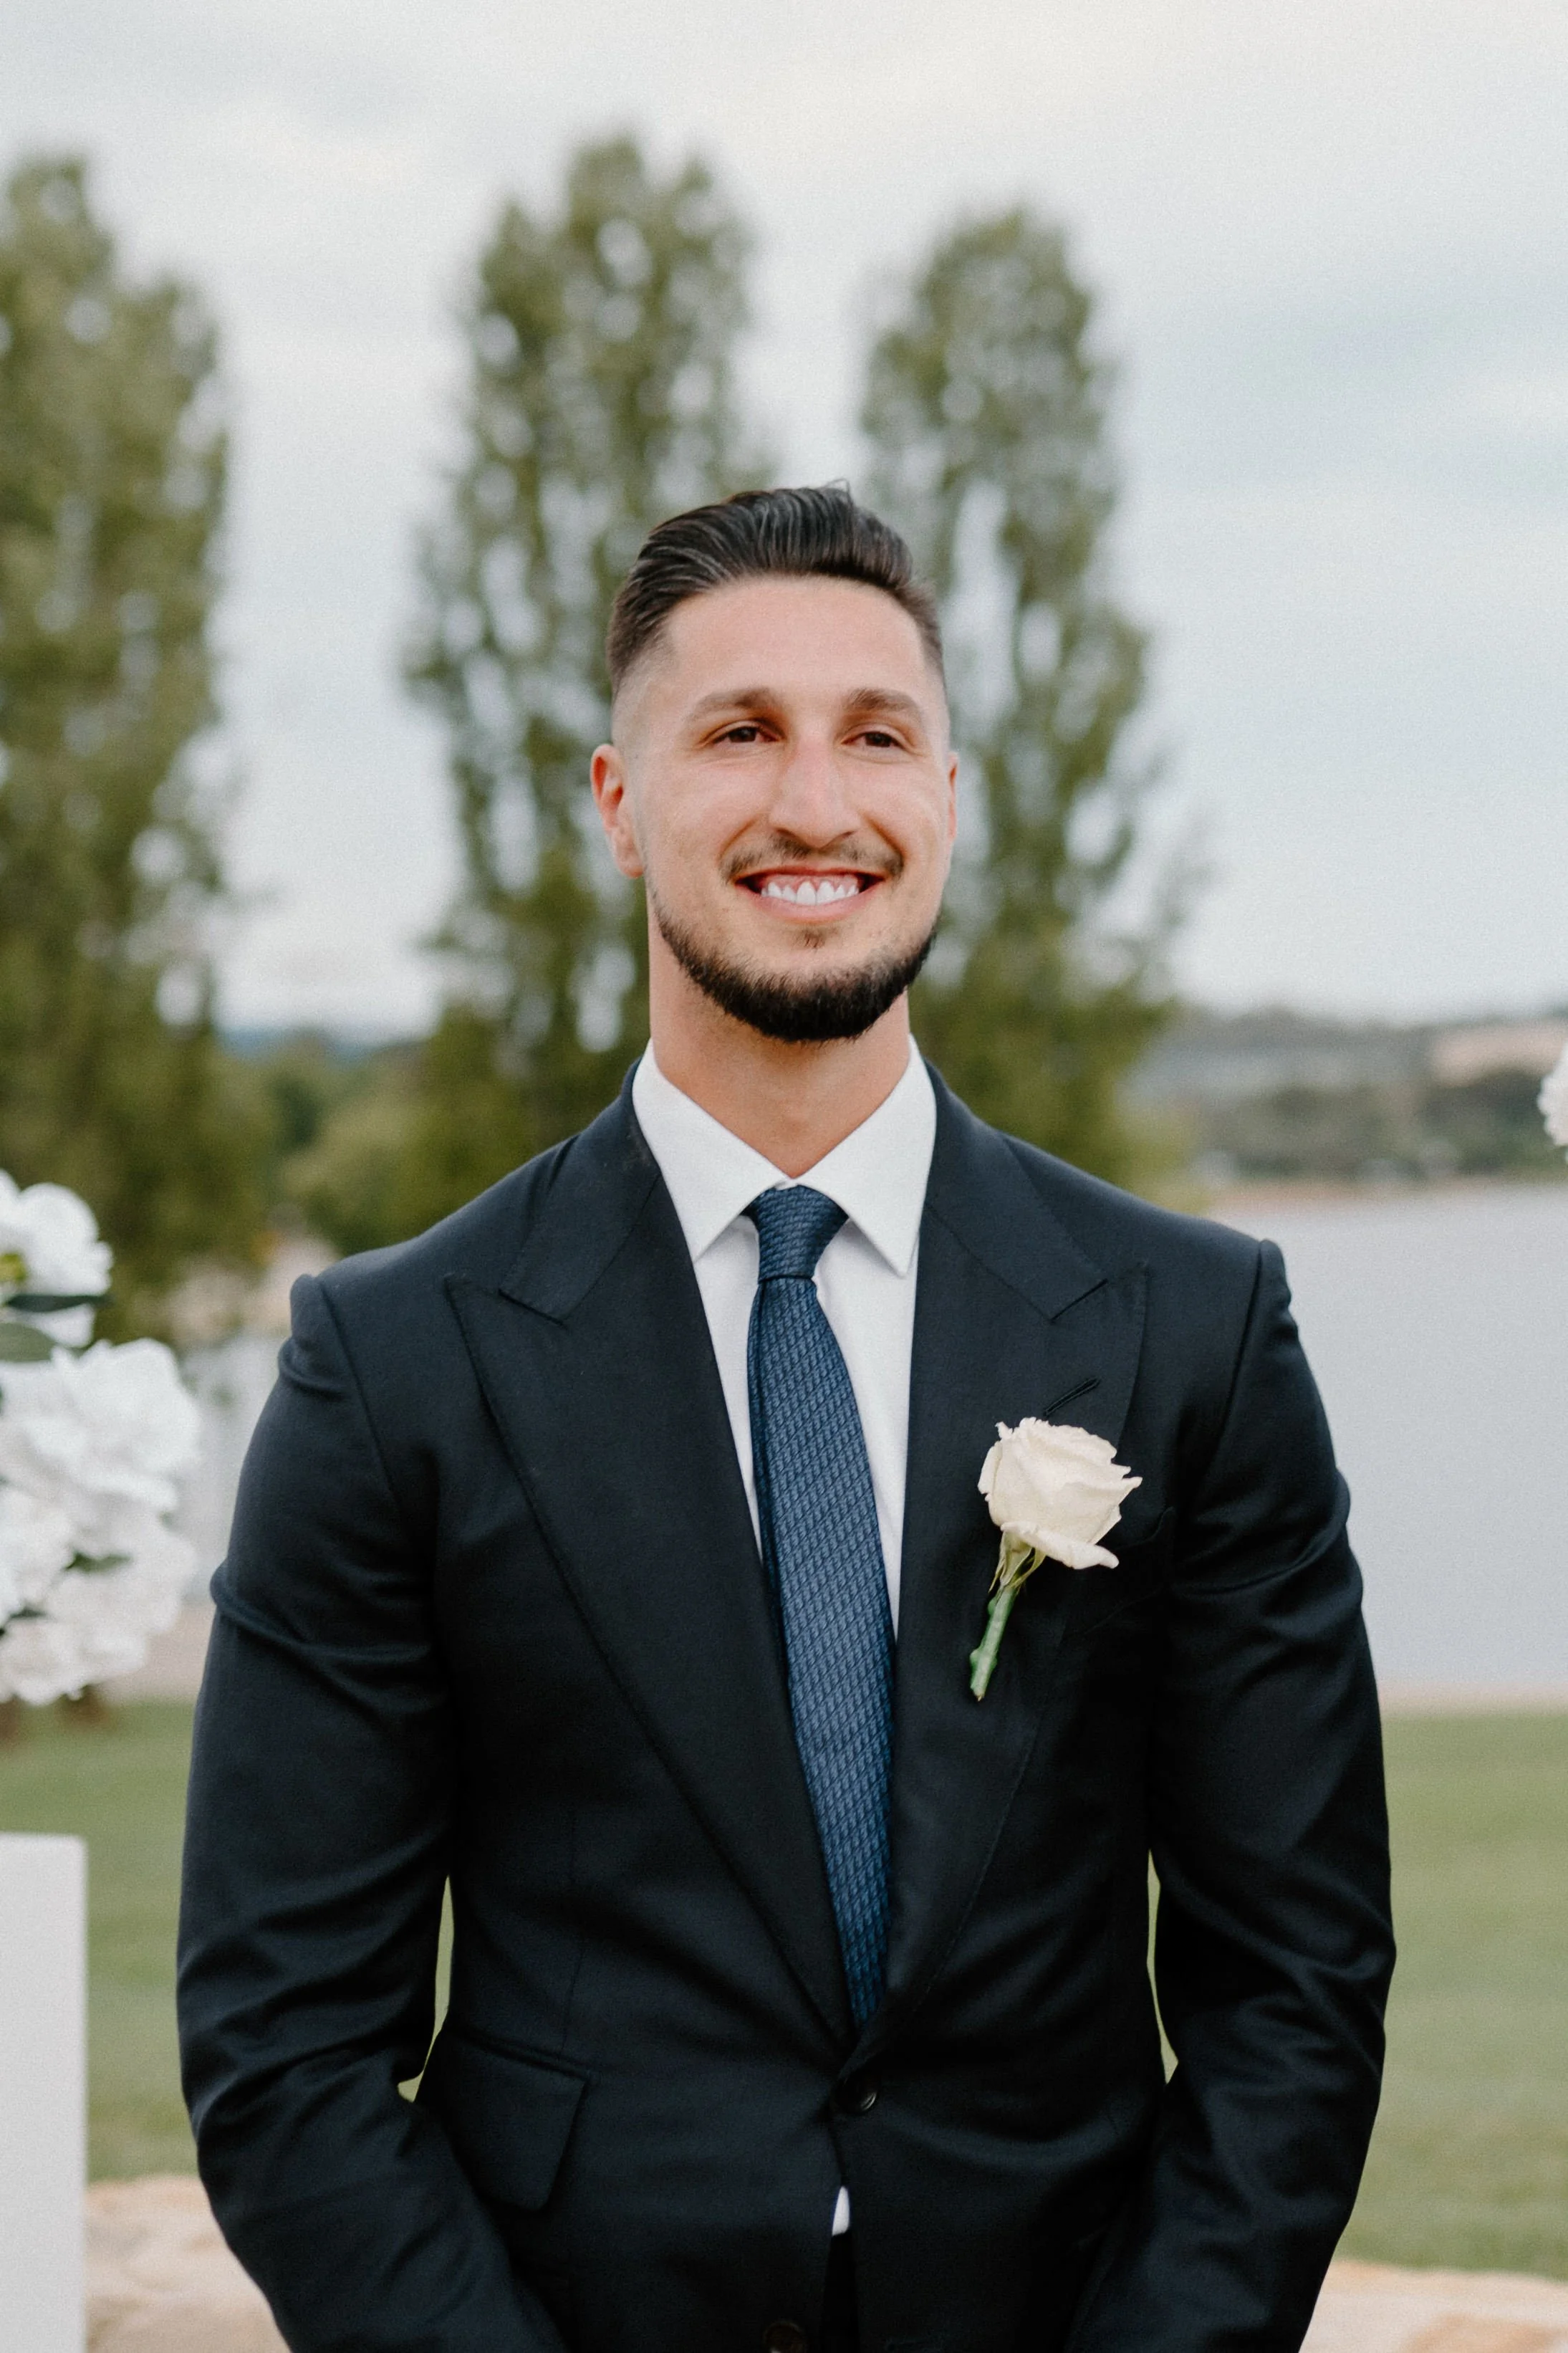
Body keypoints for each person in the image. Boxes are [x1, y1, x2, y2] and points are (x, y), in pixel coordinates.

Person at [178, 485, 1394, 2353]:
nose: (813, 805)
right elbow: (285, 2043)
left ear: (947, 802)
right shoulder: (392, 1359)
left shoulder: (1192, 1327)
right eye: (737, 732)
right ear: (614, 800)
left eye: (874, 736)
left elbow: (1292, 1980)